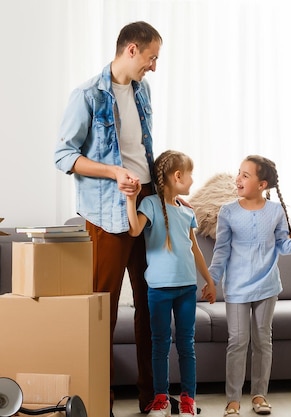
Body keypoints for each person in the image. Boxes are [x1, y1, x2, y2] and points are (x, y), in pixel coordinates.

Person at [54, 21, 163, 415]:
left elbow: (141, 151)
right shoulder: (86, 95)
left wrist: (163, 193)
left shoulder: (143, 90)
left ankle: (151, 395)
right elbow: (63, 156)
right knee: (105, 306)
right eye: (151, 58)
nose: (153, 67)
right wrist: (114, 172)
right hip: (106, 212)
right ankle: (101, 395)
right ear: (131, 50)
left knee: (152, 302)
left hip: (147, 204)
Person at [208, 155, 291, 416]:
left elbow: (282, 245)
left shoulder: (275, 212)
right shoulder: (228, 211)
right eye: (239, 173)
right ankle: (233, 398)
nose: (238, 179)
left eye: (245, 175)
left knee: (263, 341)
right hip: (237, 289)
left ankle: (259, 395)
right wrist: (211, 280)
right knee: (238, 341)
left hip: (267, 287)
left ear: (262, 184)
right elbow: (220, 251)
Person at [126, 150, 217, 417]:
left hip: (187, 288)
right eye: (191, 176)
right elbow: (134, 230)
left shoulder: (187, 211)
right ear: (178, 176)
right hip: (158, 289)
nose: (192, 181)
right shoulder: (150, 205)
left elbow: (195, 249)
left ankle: (188, 399)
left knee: (186, 345)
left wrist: (209, 281)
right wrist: (131, 200)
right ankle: (161, 399)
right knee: (160, 345)